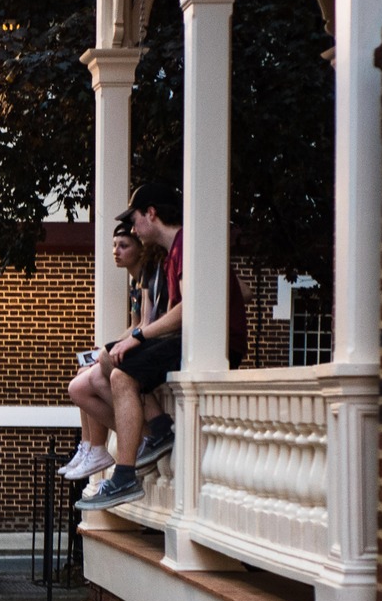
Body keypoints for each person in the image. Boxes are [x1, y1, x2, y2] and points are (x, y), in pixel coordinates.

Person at [77, 181, 249, 511]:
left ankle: (127, 472)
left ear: (152, 214)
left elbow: (187, 310)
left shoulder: (186, 245)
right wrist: (133, 343)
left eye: (135, 219)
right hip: (190, 338)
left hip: (215, 340)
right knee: (112, 360)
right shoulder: (174, 254)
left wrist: (138, 337)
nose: (133, 228)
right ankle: (156, 429)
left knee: (122, 375)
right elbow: (173, 312)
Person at [59, 217, 168, 482]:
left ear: (140, 249)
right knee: (85, 370)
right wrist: (111, 345)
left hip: (156, 349)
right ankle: (90, 445)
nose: (116, 251)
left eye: (124, 245)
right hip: (144, 344)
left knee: (89, 379)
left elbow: (143, 326)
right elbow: (135, 325)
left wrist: (114, 348)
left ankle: (135, 436)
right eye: (114, 245)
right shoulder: (136, 282)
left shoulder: (150, 274)